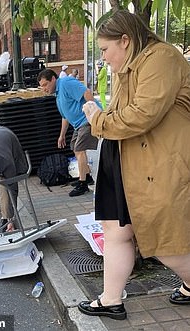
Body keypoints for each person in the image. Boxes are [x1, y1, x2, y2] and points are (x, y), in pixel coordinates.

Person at [78, 10, 190, 320]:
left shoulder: (161, 59)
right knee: (115, 233)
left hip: (157, 168)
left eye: (104, 49)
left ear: (125, 40)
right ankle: (111, 299)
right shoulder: (130, 64)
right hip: (125, 165)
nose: (103, 58)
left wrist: (96, 119)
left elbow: (141, 115)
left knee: (165, 243)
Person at [37, 69, 98, 197]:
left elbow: (86, 92)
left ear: (53, 79)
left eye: (45, 85)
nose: (44, 89)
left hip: (86, 120)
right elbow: (65, 116)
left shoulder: (66, 82)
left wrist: (94, 114)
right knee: (74, 148)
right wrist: (62, 135)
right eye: (41, 86)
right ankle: (87, 177)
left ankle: (83, 184)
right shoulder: (58, 94)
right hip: (78, 124)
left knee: (79, 149)